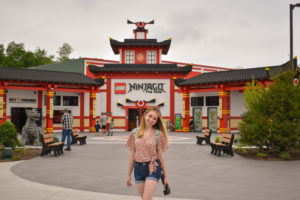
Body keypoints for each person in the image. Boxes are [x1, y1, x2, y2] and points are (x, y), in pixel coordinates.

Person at [126, 107, 169, 200]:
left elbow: (161, 156)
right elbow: (133, 155)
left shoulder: (158, 134)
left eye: (154, 118)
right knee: (145, 198)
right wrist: (128, 175)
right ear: (144, 115)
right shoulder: (134, 132)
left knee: (146, 198)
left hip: (153, 167)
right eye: (150, 116)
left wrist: (165, 176)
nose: (151, 120)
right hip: (138, 168)